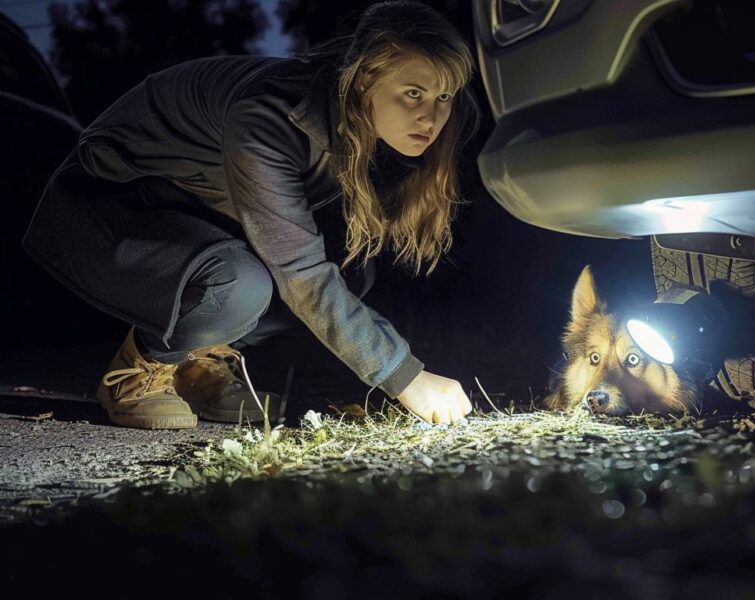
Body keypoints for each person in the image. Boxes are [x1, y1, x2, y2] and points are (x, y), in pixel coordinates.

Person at [22, 1, 477, 429]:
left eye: (443, 96)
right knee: (241, 284)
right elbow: (300, 273)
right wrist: (405, 377)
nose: (431, 117)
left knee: (351, 270)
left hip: (191, 216)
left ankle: (194, 366)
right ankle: (139, 370)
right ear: (362, 80)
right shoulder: (269, 118)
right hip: (101, 207)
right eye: (413, 93)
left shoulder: (349, 116)